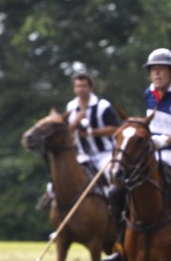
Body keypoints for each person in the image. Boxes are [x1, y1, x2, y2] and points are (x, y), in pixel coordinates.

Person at [102, 48, 171, 261]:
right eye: (153, 70)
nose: (156, 74)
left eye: (161, 70)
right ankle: (120, 245)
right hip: (155, 151)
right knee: (118, 192)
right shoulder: (149, 94)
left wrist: (166, 140)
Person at [37, 72, 120, 209]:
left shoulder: (102, 106)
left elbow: (115, 128)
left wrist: (91, 133)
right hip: (82, 156)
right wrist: (77, 119)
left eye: (83, 86)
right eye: (77, 86)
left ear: (90, 87)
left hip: (105, 154)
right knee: (60, 180)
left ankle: (116, 209)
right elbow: (66, 131)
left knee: (112, 178)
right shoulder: (71, 107)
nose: (80, 90)